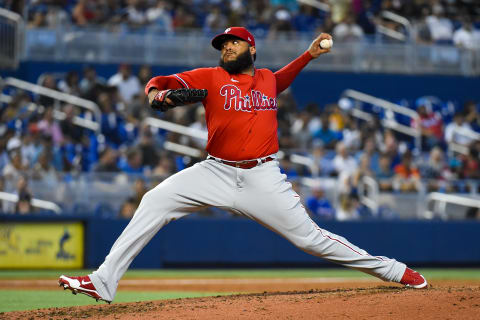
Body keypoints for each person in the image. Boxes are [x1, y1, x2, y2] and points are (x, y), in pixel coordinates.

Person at [59, 27, 427, 303]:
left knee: (313, 240)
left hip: (262, 176)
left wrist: (309, 56)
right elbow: (158, 82)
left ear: (251, 48)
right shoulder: (210, 77)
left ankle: (395, 271)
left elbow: (279, 80)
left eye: (233, 42)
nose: (226, 47)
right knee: (154, 201)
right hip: (215, 171)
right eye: (223, 44)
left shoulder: (266, 79)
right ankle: (104, 280)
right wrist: (158, 95)